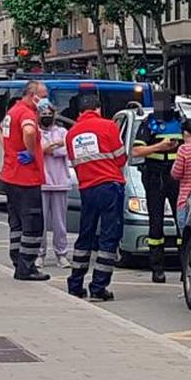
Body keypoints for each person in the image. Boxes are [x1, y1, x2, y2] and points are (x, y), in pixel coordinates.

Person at [66, 92, 128, 301]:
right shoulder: (109, 126)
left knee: (85, 236)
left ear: (80, 111)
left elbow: (75, 163)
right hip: (109, 186)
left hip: (87, 189)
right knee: (109, 237)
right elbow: (120, 158)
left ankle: (75, 284)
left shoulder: (71, 134)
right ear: (98, 108)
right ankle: (98, 287)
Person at [0, 79, 50, 281]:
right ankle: (27, 266)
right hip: (26, 177)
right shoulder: (27, 114)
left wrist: (10, 152)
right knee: (32, 223)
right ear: (33, 95)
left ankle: (17, 258)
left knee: (17, 223)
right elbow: (29, 131)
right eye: (44, 96)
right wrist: (31, 152)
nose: (46, 101)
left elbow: (0, 132)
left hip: (10, 174)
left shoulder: (12, 113)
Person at [131, 90, 184, 283]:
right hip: (154, 175)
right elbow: (136, 151)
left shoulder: (182, 122)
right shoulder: (149, 123)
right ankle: (157, 267)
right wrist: (159, 147)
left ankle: (184, 267)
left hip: (177, 175)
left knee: (182, 222)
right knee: (156, 222)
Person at [38, 99, 72, 269]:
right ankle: (40, 254)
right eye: (43, 114)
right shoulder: (35, 132)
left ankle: (61, 254)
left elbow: (65, 150)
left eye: (49, 114)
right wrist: (51, 147)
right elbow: (37, 150)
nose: (46, 117)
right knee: (40, 222)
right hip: (41, 182)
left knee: (60, 222)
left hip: (60, 182)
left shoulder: (62, 132)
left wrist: (49, 148)